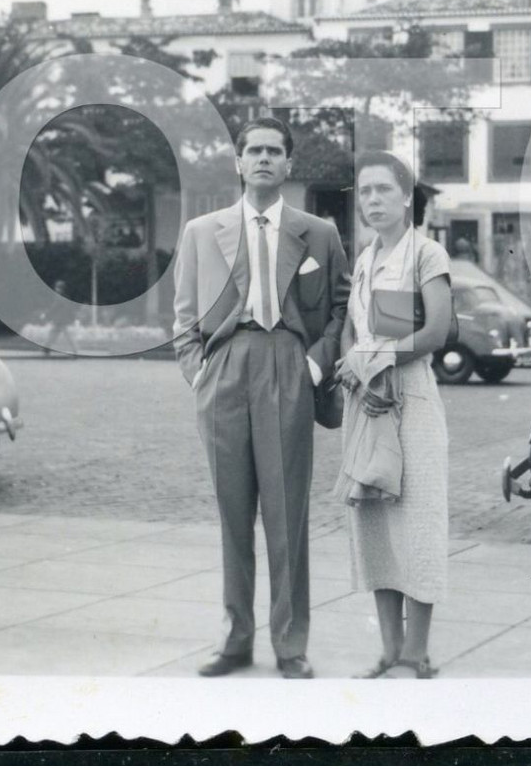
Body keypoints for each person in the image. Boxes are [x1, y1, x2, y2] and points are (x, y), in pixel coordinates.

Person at [171, 117, 350, 679]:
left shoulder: (318, 232)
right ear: (239, 162)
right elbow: (182, 316)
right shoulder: (203, 231)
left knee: (286, 516)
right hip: (225, 367)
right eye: (255, 150)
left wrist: (316, 366)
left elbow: (342, 308)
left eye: (275, 151)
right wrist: (198, 372)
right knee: (231, 516)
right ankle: (235, 639)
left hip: (289, 366)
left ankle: (290, 644)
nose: (265, 159)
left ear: (289, 164)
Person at [337, 150, 453, 679]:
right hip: (367, 401)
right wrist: (350, 359)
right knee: (376, 522)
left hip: (412, 400)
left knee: (419, 524)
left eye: (384, 189)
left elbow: (436, 331)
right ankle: (388, 647)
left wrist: (375, 356)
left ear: (407, 197)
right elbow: (356, 329)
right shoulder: (364, 259)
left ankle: (417, 651)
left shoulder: (425, 254)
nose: (373, 199)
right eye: (365, 191)